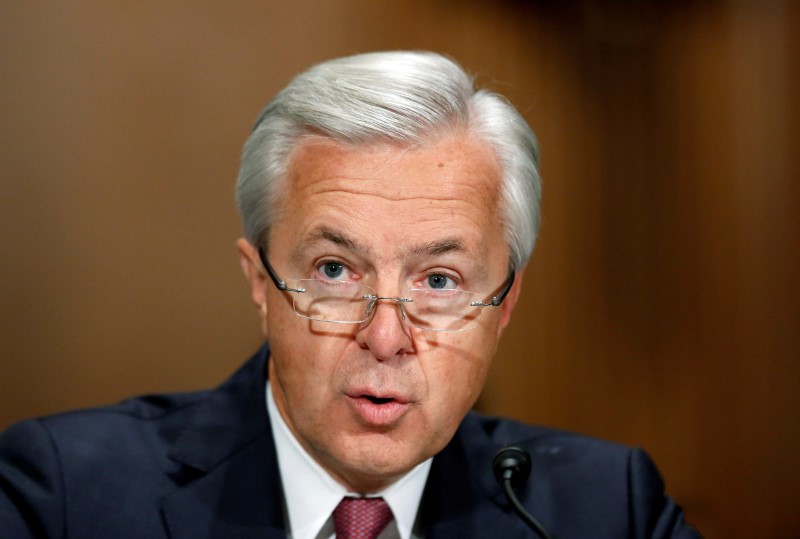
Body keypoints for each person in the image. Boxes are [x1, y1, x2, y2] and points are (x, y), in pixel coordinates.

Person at [0, 51, 699, 538]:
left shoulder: (606, 507)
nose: (387, 339)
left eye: (439, 280)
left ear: (504, 307)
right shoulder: (65, 494)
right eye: (336, 270)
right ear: (259, 282)